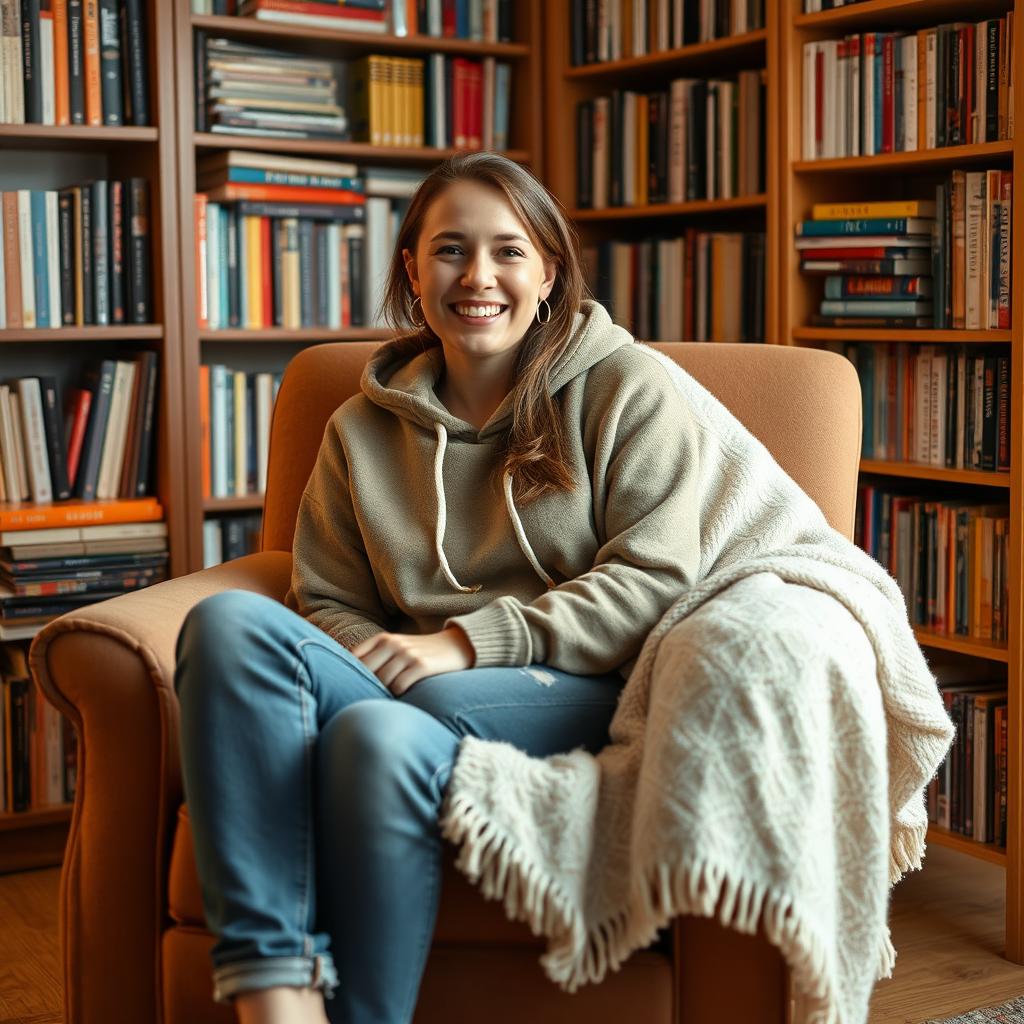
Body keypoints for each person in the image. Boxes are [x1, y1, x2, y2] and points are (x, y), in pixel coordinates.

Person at [174, 151, 702, 1024]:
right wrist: (384, 660)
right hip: (404, 683)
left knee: (382, 732)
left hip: (566, 683)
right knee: (228, 623)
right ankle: (274, 989)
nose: (478, 276)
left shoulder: (624, 388)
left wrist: (459, 644)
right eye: (451, 250)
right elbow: (326, 597)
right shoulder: (359, 426)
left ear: (548, 270)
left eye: (508, 250)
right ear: (413, 271)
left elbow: (655, 577)